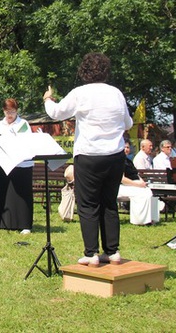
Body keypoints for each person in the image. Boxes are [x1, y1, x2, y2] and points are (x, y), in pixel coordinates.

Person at [44, 52, 133, 267]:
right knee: (109, 203)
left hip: (89, 155)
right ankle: (112, 252)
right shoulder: (116, 93)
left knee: (88, 204)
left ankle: (91, 253)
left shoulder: (80, 92)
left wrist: (48, 99)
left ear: (84, 71)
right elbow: (128, 124)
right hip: (114, 156)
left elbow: (56, 113)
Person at [0, 98, 34, 232]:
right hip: (3, 164)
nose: (10, 115)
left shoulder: (23, 124)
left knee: (22, 194)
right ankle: (5, 223)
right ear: (3, 111)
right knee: (5, 193)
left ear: (17, 111)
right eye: (7, 112)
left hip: (21, 164)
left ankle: (24, 224)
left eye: (13, 112)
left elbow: (26, 142)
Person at [118, 142, 161, 225]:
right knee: (141, 193)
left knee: (148, 191)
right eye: (124, 147)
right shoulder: (118, 161)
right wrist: (138, 185)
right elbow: (122, 179)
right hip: (123, 186)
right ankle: (140, 220)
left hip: (134, 185)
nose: (126, 149)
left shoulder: (128, 161)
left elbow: (136, 174)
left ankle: (151, 218)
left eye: (127, 147)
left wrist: (142, 183)